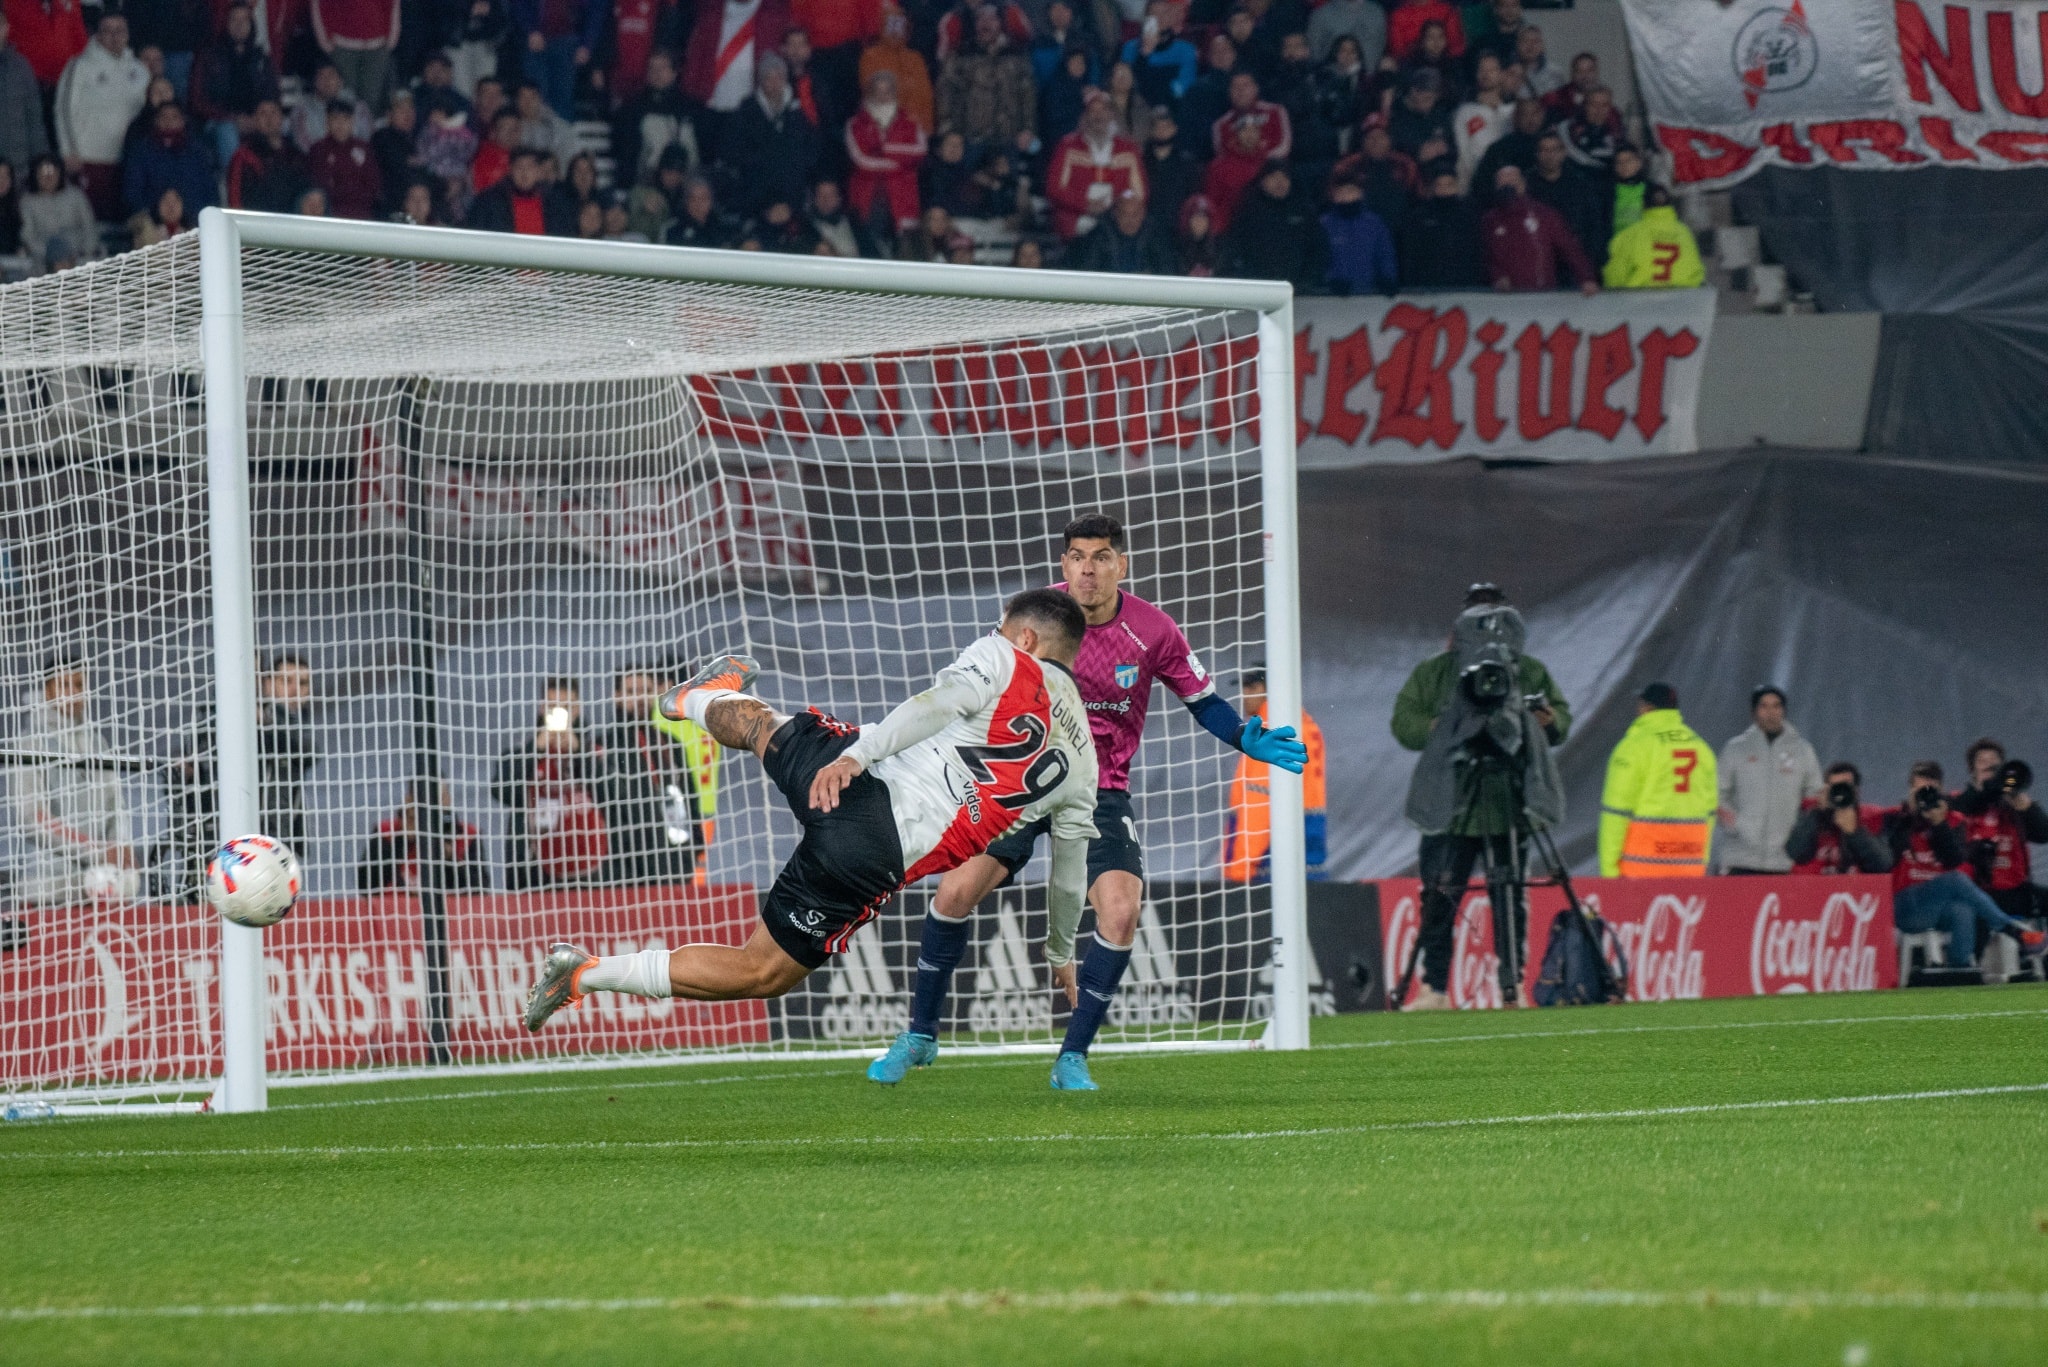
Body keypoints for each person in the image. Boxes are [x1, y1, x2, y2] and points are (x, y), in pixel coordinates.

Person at [525, 591, 1101, 1052]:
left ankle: (694, 701)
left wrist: (858, 755)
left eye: (1002, 627)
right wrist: (1058, 952)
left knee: (763, 727)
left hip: (853, 771)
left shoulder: (1005, 656)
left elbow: (937, 703)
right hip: (872, 851)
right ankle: (582, 974)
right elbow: (1070, 875)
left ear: (1025, 638)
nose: (997, 633)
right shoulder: (1085, 765)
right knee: (761, 973)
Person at [867, 514, 1307, 1091]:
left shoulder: (1153, 630)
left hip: (1100, 790)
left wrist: (1243, 738)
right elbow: (981, 682)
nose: (1087, 570)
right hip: (1021, 783)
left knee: (1121, 913)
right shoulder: (1036, 618)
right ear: (1064, 563)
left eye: (1100, 558)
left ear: (1121, 565)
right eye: (1077, 557)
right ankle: (919, 1035)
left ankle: (1072, 1057)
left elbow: (1203, 701)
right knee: (953, 893)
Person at [1392, 583, 1568, 1010]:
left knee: (1509, 897)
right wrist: (1442, 727)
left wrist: (1544, 721)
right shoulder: (1436, 672)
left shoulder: (1528, 671)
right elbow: (1404, 724)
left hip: (1508, 802)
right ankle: (1434, 988)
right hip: (1450, 803)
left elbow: (1560, 720)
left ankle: (1512, 986)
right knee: (1438, 897)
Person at [1883, 760, 2044, 966]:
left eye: (1930, 790)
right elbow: (1887, 857)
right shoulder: (1895, 817)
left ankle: (1960, 971)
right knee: (1955, 879)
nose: (1925, 796)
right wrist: (1909, 815)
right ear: (1910, 790)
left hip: (1936, 907)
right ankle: (2012, 930)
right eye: (1920, 789)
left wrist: (1939, 824)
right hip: (1904, 905)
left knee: (1963, 910)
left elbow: (1953, 860)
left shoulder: (1953, 820)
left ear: (1941, 791)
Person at [11, 653, 132, 907]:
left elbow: (116, 805)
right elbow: (32, 818)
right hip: (48, 890)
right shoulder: (29, 743)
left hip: (101, 887)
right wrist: (95, 850)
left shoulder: (97, 743)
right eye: (64, 685)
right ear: (47, 691)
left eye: (78, 684)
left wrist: (120, 847)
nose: (73, 693)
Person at [493, 676, 608, 889]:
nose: (559, 713)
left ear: (577, 709)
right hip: (534, 870)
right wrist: (535, 751)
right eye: (552, 707)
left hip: (590, 868)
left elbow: (610, 795)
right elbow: (503, 793)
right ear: (541, 708)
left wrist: (579, 753)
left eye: (566, 707)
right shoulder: (520, 753)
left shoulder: (597, 752)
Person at [596, 664, 701, 886]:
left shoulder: (670, 744)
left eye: (646, 690)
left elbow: (690, 798)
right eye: (631, 691)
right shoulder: (601, 748)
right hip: (621, 869)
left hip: (673, 862)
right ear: (616, 696)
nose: (640, 698)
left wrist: (694, 846)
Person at [1599, 682, 1717, 879]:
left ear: (1646, 707)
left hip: (1642, 870)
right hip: (1689, 869)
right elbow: (1710, 812)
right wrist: (1701, 861)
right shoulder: (1701, 748)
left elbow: (1616, 813)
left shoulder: (1634, 747)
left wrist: (1609, 874)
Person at [1223, 667, 1326, 883]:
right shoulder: (1304, 723)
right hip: (1310, 851)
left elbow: (1259, 804)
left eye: (1252, 687)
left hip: (1272, 864)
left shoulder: (1268, 732)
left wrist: (1240, 869)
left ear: (1268, 689)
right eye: (1244, 687)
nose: (1244, 694)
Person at [1713, 684, 1821, 875]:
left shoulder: (1803, 751)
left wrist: (1799, 833)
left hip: (1785, 861)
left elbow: (1814, 797)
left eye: (1776, 706)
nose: (1771, 712)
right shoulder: (1735, 749)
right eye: (1764, 706)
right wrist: (1738, 826)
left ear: (1784, 710)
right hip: (1740, 858)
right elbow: (1717, 795)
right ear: (1754, 712)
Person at [54, 12, 149, 221]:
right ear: (97, 35)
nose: (114, 36)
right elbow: (64, 111)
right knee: (88, 222)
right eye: (108, 31)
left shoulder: (140, 71)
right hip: (88, 159)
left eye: (120, 31)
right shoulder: (79, 66)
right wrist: (68, 151)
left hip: (126, 162)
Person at [1951, 738, 2048, 926]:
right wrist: (1987, 790)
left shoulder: (2013, 805)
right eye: (1982, 761)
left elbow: (2043, 834)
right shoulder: (1959, 801)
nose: (1989, 765)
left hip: (2016, 889)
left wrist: (2024, 805)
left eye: (1994, 761)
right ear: (1972, 771)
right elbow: (1962, 807)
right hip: (1976, 892)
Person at [719, 53, 817, 216]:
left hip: (792, 193)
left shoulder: (798, 111)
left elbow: (810, 146)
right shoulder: (746, 112)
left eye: (779, 77)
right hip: (756, 194)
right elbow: (732, 150)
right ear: (760, 81)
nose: (774, 83)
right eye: (769, 78)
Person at [936, 3, 1036, 153]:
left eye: (991, 19)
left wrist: (1028, 129)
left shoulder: (1016, 56)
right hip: (970, 142)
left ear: (1001, 23)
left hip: (1009, 140)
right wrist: (948, 131)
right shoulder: (961, 56)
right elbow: (946, 95)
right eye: (980, 18)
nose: (985, 23)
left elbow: (1028, 96)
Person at [1044, 89, 1142, 239]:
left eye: (1103, 110)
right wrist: (1085, 204)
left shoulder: (1127, 149)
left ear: (1111, 114)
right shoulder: (1068, 146)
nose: (1098, 116)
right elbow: (1054, 188)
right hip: (1076, 218)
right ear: (1085, 116)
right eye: (1093, 111)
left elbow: (1138, 192)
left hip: (1117, 219)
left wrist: (1120, 203)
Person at [1483, 163, 1595, 293]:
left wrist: (1586, 278)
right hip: (1507, 296)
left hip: (1542, 294)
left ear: (1522, 185)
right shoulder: (1490, 220)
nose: (1508, 189)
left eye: (1513, 183)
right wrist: (1497, 276)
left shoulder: (1544, 215)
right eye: (1503, 185)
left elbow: (1569, 247)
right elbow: (1487, 257)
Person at [189, 2, 275, 170]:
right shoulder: (209, 56)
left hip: (256, 119)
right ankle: (235, 181)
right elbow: (197, 101)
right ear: (226, 24)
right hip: (217, 121)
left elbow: (271, 96)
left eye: (244, 20)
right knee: (227, 130)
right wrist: (232, 119)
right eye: (234, 20)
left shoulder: (261, 59)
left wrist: (258, 119)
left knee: (277, 128)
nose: (239, 25)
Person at [358, 782, 488, 892]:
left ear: (448, 800)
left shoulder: (467, 836)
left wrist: (450, 860)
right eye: (425, 799)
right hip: (395, 910)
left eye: (439, 798)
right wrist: (403, 841)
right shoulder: (386, 833)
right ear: (409, 800)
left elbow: (480, 890)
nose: (432, 806)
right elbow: (366, 886)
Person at [845, 67, 926, 236]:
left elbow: (920, 152)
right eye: (877, 91)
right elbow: (861, 161)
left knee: (903, 245)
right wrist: (901, 163)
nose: (882, 96)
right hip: (869, 195)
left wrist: (885, 149)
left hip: (903, 194)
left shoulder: (911, 122)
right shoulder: (855, 124)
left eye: (887, 91)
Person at [1221, 158, 1327, 287]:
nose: (1280, 182)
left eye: (1284, 177)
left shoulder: (1304, 211)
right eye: (1274, 177)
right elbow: (1235, 250)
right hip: (1258, 287)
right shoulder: (1248, 211)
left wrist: (1306, 282)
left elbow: (1317, 250)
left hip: (1299, 289)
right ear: (1262, 181)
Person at [1204, 71, 1291, 229]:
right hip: (1234, 221)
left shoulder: (1275, 111)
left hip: (1273, 206)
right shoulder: (1220, 125)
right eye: (1235, 87)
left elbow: (1283, 148)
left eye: (1245, 85)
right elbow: (1222, 157)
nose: (1241, 91)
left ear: (1256, 88)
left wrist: (1257, 159)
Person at [1785, 762, 1891, 876]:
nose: (1840, 793)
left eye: (1845, 787)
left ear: (1857, 791)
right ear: (1826, 790)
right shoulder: (1810, 813)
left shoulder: (1872, 817)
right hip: (1813, 885)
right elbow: (1796, 854)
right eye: (1835, 787)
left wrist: (1855, 832)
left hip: (1856, 886)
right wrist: (1816, 812)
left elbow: (1882, 865)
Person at [609, 48, 695, 188]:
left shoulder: (690, 109)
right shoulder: (632, 109)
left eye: (662, 68)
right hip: (646, 184)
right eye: (652, 68)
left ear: (674, 72)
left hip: (686, 183)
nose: (657, 73)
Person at [1524, 129, 1606, 274]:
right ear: (1537, 154)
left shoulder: (1580, 184)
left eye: (1554, 150)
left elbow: (1594, 224)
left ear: (1563, 153)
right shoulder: (1526, 185)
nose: (1550, 155)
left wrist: (1589, 262)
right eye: (1545, 150)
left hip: (1575, 264)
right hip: (1538, 263)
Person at [511, 0, 605, 119]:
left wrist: (587, 44)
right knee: (535, 98)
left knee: (562, 100)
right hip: (535, 42)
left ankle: (562, 130)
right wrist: (530, 30)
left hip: (567, 43)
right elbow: (519, 4)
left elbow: (596, 11)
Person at [123, 101, 216, 222]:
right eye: (164, 117)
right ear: (156, 121)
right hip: (150, 221)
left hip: (192, 220)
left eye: (174, 117)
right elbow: (132, 192)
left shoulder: (198, 153)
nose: (169, 121)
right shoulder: (141, 151)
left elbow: (209, 192)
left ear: (182, 121)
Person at [1603, 184, 1706, 289]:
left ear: (1643, 204)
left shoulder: (1630, 235)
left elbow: (1614, 277)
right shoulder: (1685, 233)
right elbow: (1697, 273)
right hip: (1681, 297)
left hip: (1639, 297)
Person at [312, 0, 400, 117]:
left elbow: (392, 4)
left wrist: (392, 37)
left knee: (371, 100)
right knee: (344, 98)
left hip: (377, 46)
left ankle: (366, 128)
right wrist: (324, 40)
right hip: (343, 46)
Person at [1397, 165, 1481, 287]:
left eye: (1449, 185)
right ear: (1432, 187)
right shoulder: (1420, 217)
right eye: (1439, 185)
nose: (1444, 189)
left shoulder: (1468, 216)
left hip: (1463, 285)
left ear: (1457, 186)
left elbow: (1476, 252)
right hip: (1427, 285)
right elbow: (1411, 253)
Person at [1320, 163, 1395, 294]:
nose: (1345, 196)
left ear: (1361, 193)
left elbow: (1385, 254)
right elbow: (1318, 259)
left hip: (1370, 294)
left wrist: (1388, 279)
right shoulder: (1324, 225)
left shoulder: (1374, 224)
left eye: (1350, 191)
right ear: (1333, 195)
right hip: (1333, 295)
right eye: (1341, 192)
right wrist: (1329, 281)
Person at [859, 4, 933, 132]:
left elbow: (925, 96)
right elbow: (873, 93)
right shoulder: (871, 57)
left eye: (898, 25)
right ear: (882, 26)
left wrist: (925, 128)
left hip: (916, 130)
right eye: (890, 24)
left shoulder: (915, 58)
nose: (894, 30)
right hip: (883, 129)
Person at [307, 96, 382, 219]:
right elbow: (322, 187)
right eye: (335, 119)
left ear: (352, 122)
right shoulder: (319, 150)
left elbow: (373, 186)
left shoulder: (363, 149)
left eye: (345, 119)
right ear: (327, 122)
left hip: (362, 214)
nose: (340, 124)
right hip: (331, 215)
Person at [1072, 186, 1172, 274]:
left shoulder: (1156, 238)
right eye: (1125, 215)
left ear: (1143, 215)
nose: (1130, 221)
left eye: (1135, 215)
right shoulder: (1098, 237)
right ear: (1115, 214)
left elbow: (1167, 272)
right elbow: (1089, 272)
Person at [19, 150, 93, 270]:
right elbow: (28, 236)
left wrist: (82, 252)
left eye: (52, 173)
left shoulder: (76, 196)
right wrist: (54, 256)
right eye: (43, 174)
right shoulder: (27, 202)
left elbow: (89, 229)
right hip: (43, 262)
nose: (48, 178)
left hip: (78, 259)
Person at [1450, 49, 1509, 193]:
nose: (1486, 74)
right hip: (1477, 186)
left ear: (1502, 74)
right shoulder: (1464, 113)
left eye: (1492, 70)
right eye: (1482, 70)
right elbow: (1463, 154)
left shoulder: (1512, 111)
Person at [1119, 0, 1197, 109]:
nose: (1160, 19)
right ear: (1146, 19)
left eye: (1164, 13)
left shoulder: (1186, 50)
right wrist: (1143, 55)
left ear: (1171, 18)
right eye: (1154, 15)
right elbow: (1128, 85)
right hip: (1138, 108)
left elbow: (1183, 86)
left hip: (1172, 108)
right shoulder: (1130, 48)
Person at [0, 13, 51, 176]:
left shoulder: (21, 67)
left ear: (6, 27)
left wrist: (42, 163)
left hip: (19, 171)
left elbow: (35, 122)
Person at [2, 0, 86, 95]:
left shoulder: (70, 3)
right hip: (29, 83)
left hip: (66, 82)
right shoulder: (13, 4)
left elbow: (79, 39)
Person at [467, 145, 558, 232]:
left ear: (538, 172)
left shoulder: (554, 203)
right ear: (510, 170)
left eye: (530, 167)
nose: (524, 173)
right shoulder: (489, 201)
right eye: (519, 167)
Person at [293, 62, 370, 151]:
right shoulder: (302, 109)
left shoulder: (357, 105)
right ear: (314, 82)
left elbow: (367, 136)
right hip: (320, 157)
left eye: (331, 75)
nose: (327, 81)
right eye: (321, 76)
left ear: (340, 81)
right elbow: (303, 143)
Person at [1307, 0, 1384, 67]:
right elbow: (1314, 51)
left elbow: (1380, 46)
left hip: (1369, 76)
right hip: (1331, 76)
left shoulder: (1377, 13)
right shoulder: (1320, 15)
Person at [1386, 0, 1463, 63]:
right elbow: (1398, 52)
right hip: (1411, 65)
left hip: (1446, 63)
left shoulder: (1446, 11)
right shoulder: (1398, 16)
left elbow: (1456, 48)